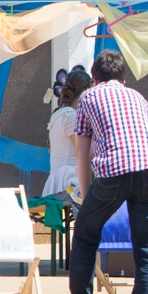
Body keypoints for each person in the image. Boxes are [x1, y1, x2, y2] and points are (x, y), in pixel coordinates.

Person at [58, 51, 148, 294]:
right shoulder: (138, 97)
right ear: (123, 78)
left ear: (95, 79)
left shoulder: (89, 98)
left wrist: (84, 196)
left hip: (115, 170)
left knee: (84, 235)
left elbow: (83, 151)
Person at [44, 67, 93, 200]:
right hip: (68, 182)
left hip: (60, 179)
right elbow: (85, 153)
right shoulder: (70, 116)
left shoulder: (62, 114)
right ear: (86, 91)